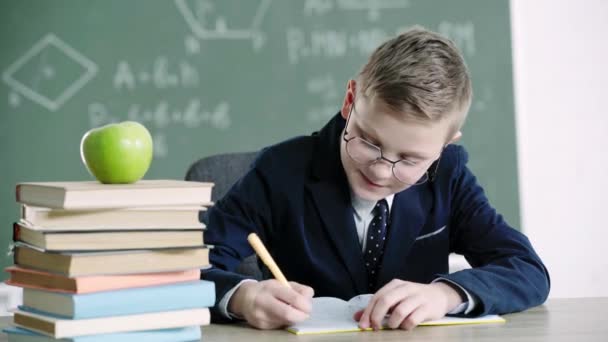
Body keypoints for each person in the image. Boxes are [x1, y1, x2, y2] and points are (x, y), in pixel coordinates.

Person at [201, 26, 550, 331]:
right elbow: (190, 269)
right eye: (369, 142)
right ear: (350, 101)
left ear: (444, 146)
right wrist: (243, 298)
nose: (381, 171)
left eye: (410, 160)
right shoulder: (280, 169)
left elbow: (526, 269)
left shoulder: (448, 176)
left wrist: (446, 294)